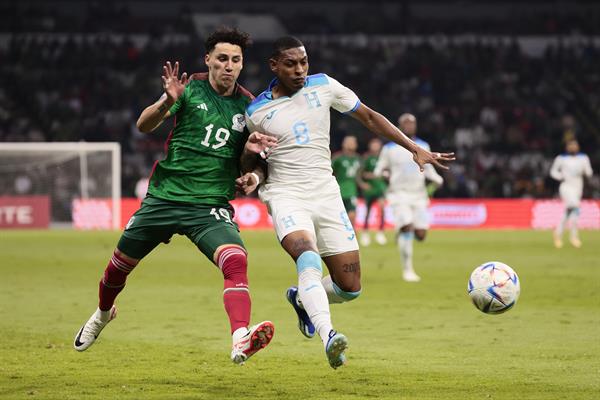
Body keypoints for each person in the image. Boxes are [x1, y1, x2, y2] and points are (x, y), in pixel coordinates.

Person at [241, 37, 454, 369]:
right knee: (307, 256)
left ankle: (301, 299)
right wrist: (251, 175)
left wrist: (412, 147)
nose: (299, 70)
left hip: (327, 194)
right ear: (274, 66)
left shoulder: (324, 86)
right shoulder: (256, 112)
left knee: (350, 287)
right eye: (291, 64)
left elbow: (368, 117)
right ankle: (329, 335)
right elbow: (253, 161)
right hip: (286, 194)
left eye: (304, 63)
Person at [73, 28, 278, 365]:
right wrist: (168, 100)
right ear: (208, 60)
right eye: (222, 58)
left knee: (236, 259)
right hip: (165, 197)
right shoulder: (188, 88)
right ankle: (103, 313)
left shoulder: (250, 107)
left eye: (235, 60)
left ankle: (240, 338)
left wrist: (252, 172)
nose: (228, 65)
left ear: (242, 65)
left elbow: (253, 163)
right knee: (117, 270)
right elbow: (143, 125)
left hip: (209, 204)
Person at [375, 113, 444, 282]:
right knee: (408, 227)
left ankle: (401, 231)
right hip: (399, 195)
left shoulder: (423, 145)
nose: (409, 126)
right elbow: (378, 171)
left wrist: (437, 180)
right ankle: (408, 270)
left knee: (420, 234)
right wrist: (385, 174)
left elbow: (429, 171)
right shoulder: (389, 148)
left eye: (412, 123)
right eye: (405, 123)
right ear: (398, 126)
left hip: (419, 196)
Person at [549, 139, 593, 248]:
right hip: (566, 187)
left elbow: (589, 172)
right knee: (575, 207)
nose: (573, 147)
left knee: (570, 211)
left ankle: (558, 233)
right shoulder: (561, 158)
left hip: (578, 187)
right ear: (567, 147)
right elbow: (553, 171)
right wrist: (561, 176)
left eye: (575, 145)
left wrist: (585, 171)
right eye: (571, 145)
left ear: (578, 147)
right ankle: (574, 236)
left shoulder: (583, 158)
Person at [357, 138, 387, 246]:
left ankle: (380, 232)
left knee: (382, 208)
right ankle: (365, 233)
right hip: (370, 189)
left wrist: (385, 176)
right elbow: (360, 174)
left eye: (377, 144)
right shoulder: (366, 158)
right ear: (370, 145)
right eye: (373, 144)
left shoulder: (383, 158)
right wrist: (363, 184)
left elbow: (387, 171)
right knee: (368, 211)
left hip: (380, 188)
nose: (375, 146)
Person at [332, 135, 361, 225]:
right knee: (336, 216)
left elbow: (358, 175)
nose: (351, 144)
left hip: (352, 191)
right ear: (343, 144)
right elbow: (330, 172)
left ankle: (352, 236)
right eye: (349, 142)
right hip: (338, 190)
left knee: (352, 215)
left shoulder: (358, 158)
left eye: (353, 142)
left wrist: (362, 184)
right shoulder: (337, 158)